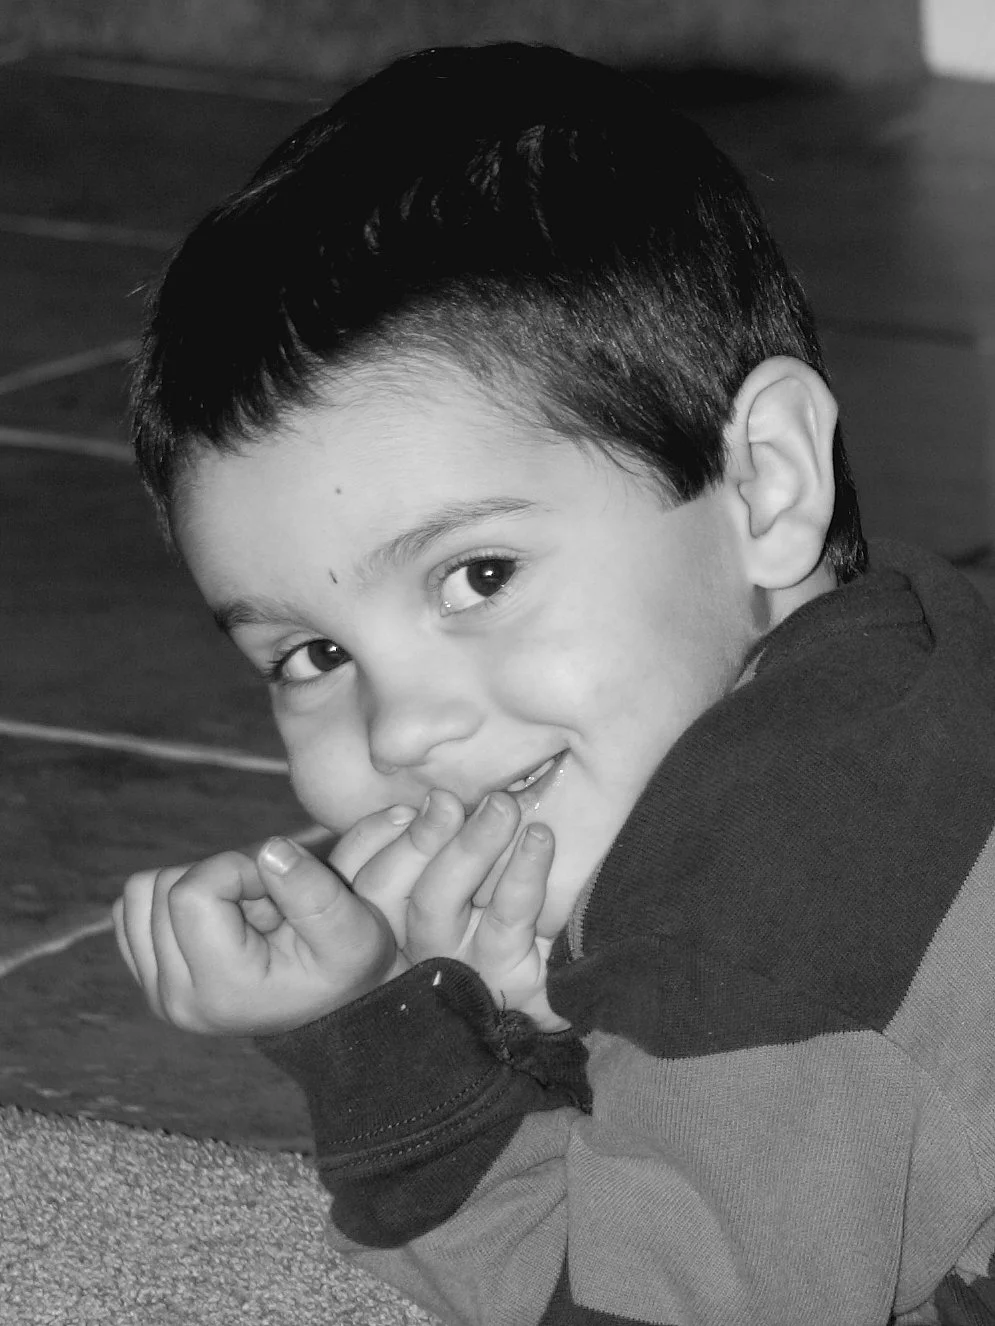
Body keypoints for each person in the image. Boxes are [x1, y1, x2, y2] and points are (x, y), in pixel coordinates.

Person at [112, 42, 995, 1326]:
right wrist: (512, 1016)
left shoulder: (765, 925)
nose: (404, 727)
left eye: (477, 576)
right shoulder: (881, 684)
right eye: (312, 656)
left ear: (765, 483)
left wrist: (392, 1046)